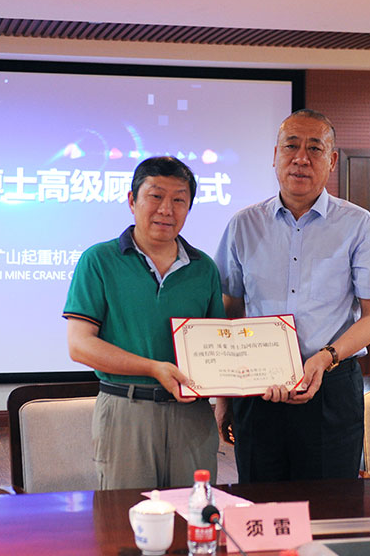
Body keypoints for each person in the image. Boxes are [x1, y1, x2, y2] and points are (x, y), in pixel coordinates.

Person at [214, 109, 370, 482]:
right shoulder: (243, 225)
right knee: (260, 500)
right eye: (291, 146)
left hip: (331, 386)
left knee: (331, 503)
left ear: (332, 160)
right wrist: (224, 396)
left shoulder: (358, 225)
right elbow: (229, 313)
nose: (301, 158)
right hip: (258, 388)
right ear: (274, 155)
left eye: (314, 148)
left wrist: (324, 359)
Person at [63, 156, 223, 489]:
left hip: (192, 416)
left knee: (193, 511)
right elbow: (80, 345)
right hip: (126, 410)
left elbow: (218, 346)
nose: (166, 209)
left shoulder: (204, 268)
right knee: (126, 514)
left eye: (179, 200)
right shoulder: (99, 260)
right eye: (156, 196)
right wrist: (153, 368)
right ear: (132, 200)